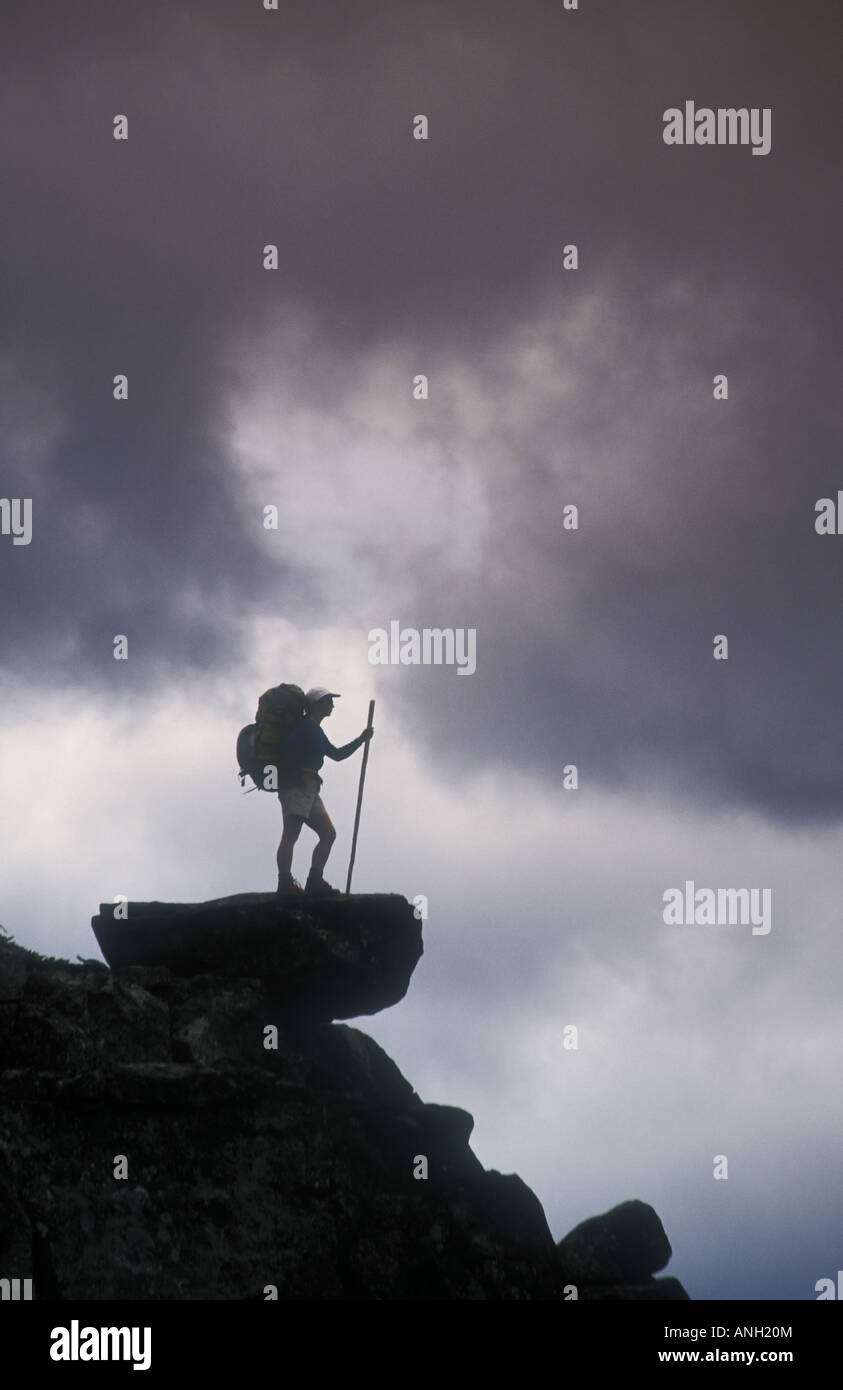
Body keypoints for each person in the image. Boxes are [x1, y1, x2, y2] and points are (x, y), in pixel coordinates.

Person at [275, 687, 373, 896]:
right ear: (317, 704)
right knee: (290, 835)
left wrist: (361, 740)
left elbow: (336, 755)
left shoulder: (315, 730)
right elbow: (285, 751)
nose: (332, 706)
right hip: (297, 785)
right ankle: (284, 883)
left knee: (328, 834)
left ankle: (315, 880)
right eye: (328, 701)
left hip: (310, 787)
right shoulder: (303, 727)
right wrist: (296, 773)